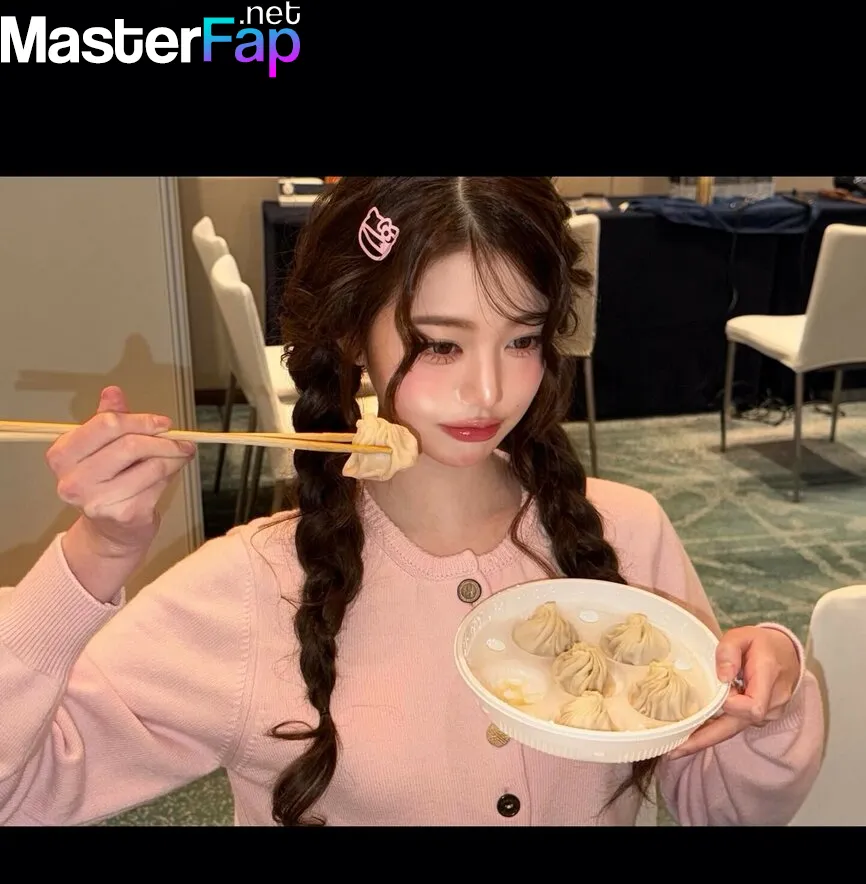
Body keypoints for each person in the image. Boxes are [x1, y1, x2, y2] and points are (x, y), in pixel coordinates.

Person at [0, 177, 823, 827]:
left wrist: (769, 700)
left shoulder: (626, 534)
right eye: (439, 343)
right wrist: (93, 558)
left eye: (522, 338)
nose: (489, 389)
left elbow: (720, 803)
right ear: (355, 333)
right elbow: (20, 792)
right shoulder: (251, 589)